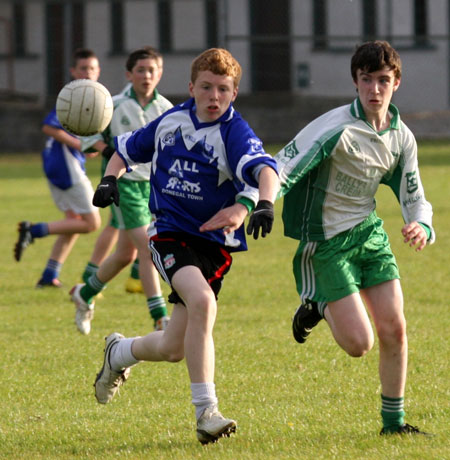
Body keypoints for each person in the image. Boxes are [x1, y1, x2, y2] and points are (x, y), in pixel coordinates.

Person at [90, 48, 279, 444]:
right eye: (206, 87)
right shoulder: (171, 122)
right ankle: (206, 412)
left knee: (174, 346)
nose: (214, 97)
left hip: (214, 246)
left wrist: (261, 203)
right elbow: (125, 150)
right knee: (203, 303)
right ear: (191, 87)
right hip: (170, 234)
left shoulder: (233, 131)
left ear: (234, 93)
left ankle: (119, 353)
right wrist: (110, 179)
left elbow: (265, 168)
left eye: (223, 90)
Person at [275, 41, 435, 436]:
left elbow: (415, 197)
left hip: (369, 235)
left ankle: (393, 424)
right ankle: (316, 303)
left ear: (396, 82)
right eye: (367, 80)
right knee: (358, 344)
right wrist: (253, 204)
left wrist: (423, 225)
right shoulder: (335, 128)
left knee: (394, 328)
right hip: (327, 244)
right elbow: (282, 166)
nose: (375, 90)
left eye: (383, 80)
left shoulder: (401, 138)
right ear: (356, 82)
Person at [71, 47, 173, 335]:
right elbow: (89, 138)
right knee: (148, 247)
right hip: (122, 186)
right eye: (140, 70)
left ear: (160, 73)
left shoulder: (166, 109)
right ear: (129, 74)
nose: (146, 75)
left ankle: (85, 294)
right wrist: (113, 150)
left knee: (125, 255)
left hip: (151, 189)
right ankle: (160, 317)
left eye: (152, 70)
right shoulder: (111, 104)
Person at [13, 48, 102, 287]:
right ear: (73, 71)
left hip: (62, 163)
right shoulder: (73, 96)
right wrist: (80, 145)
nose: (88, 73)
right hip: (65, 164)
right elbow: (49, 127)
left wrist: (91, 146)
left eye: (92, 68)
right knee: (92, 223)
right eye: (83, 68)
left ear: (98, 71)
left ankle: (49, 275)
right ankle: (34, 230)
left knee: (72, 221)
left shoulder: (92, 98)